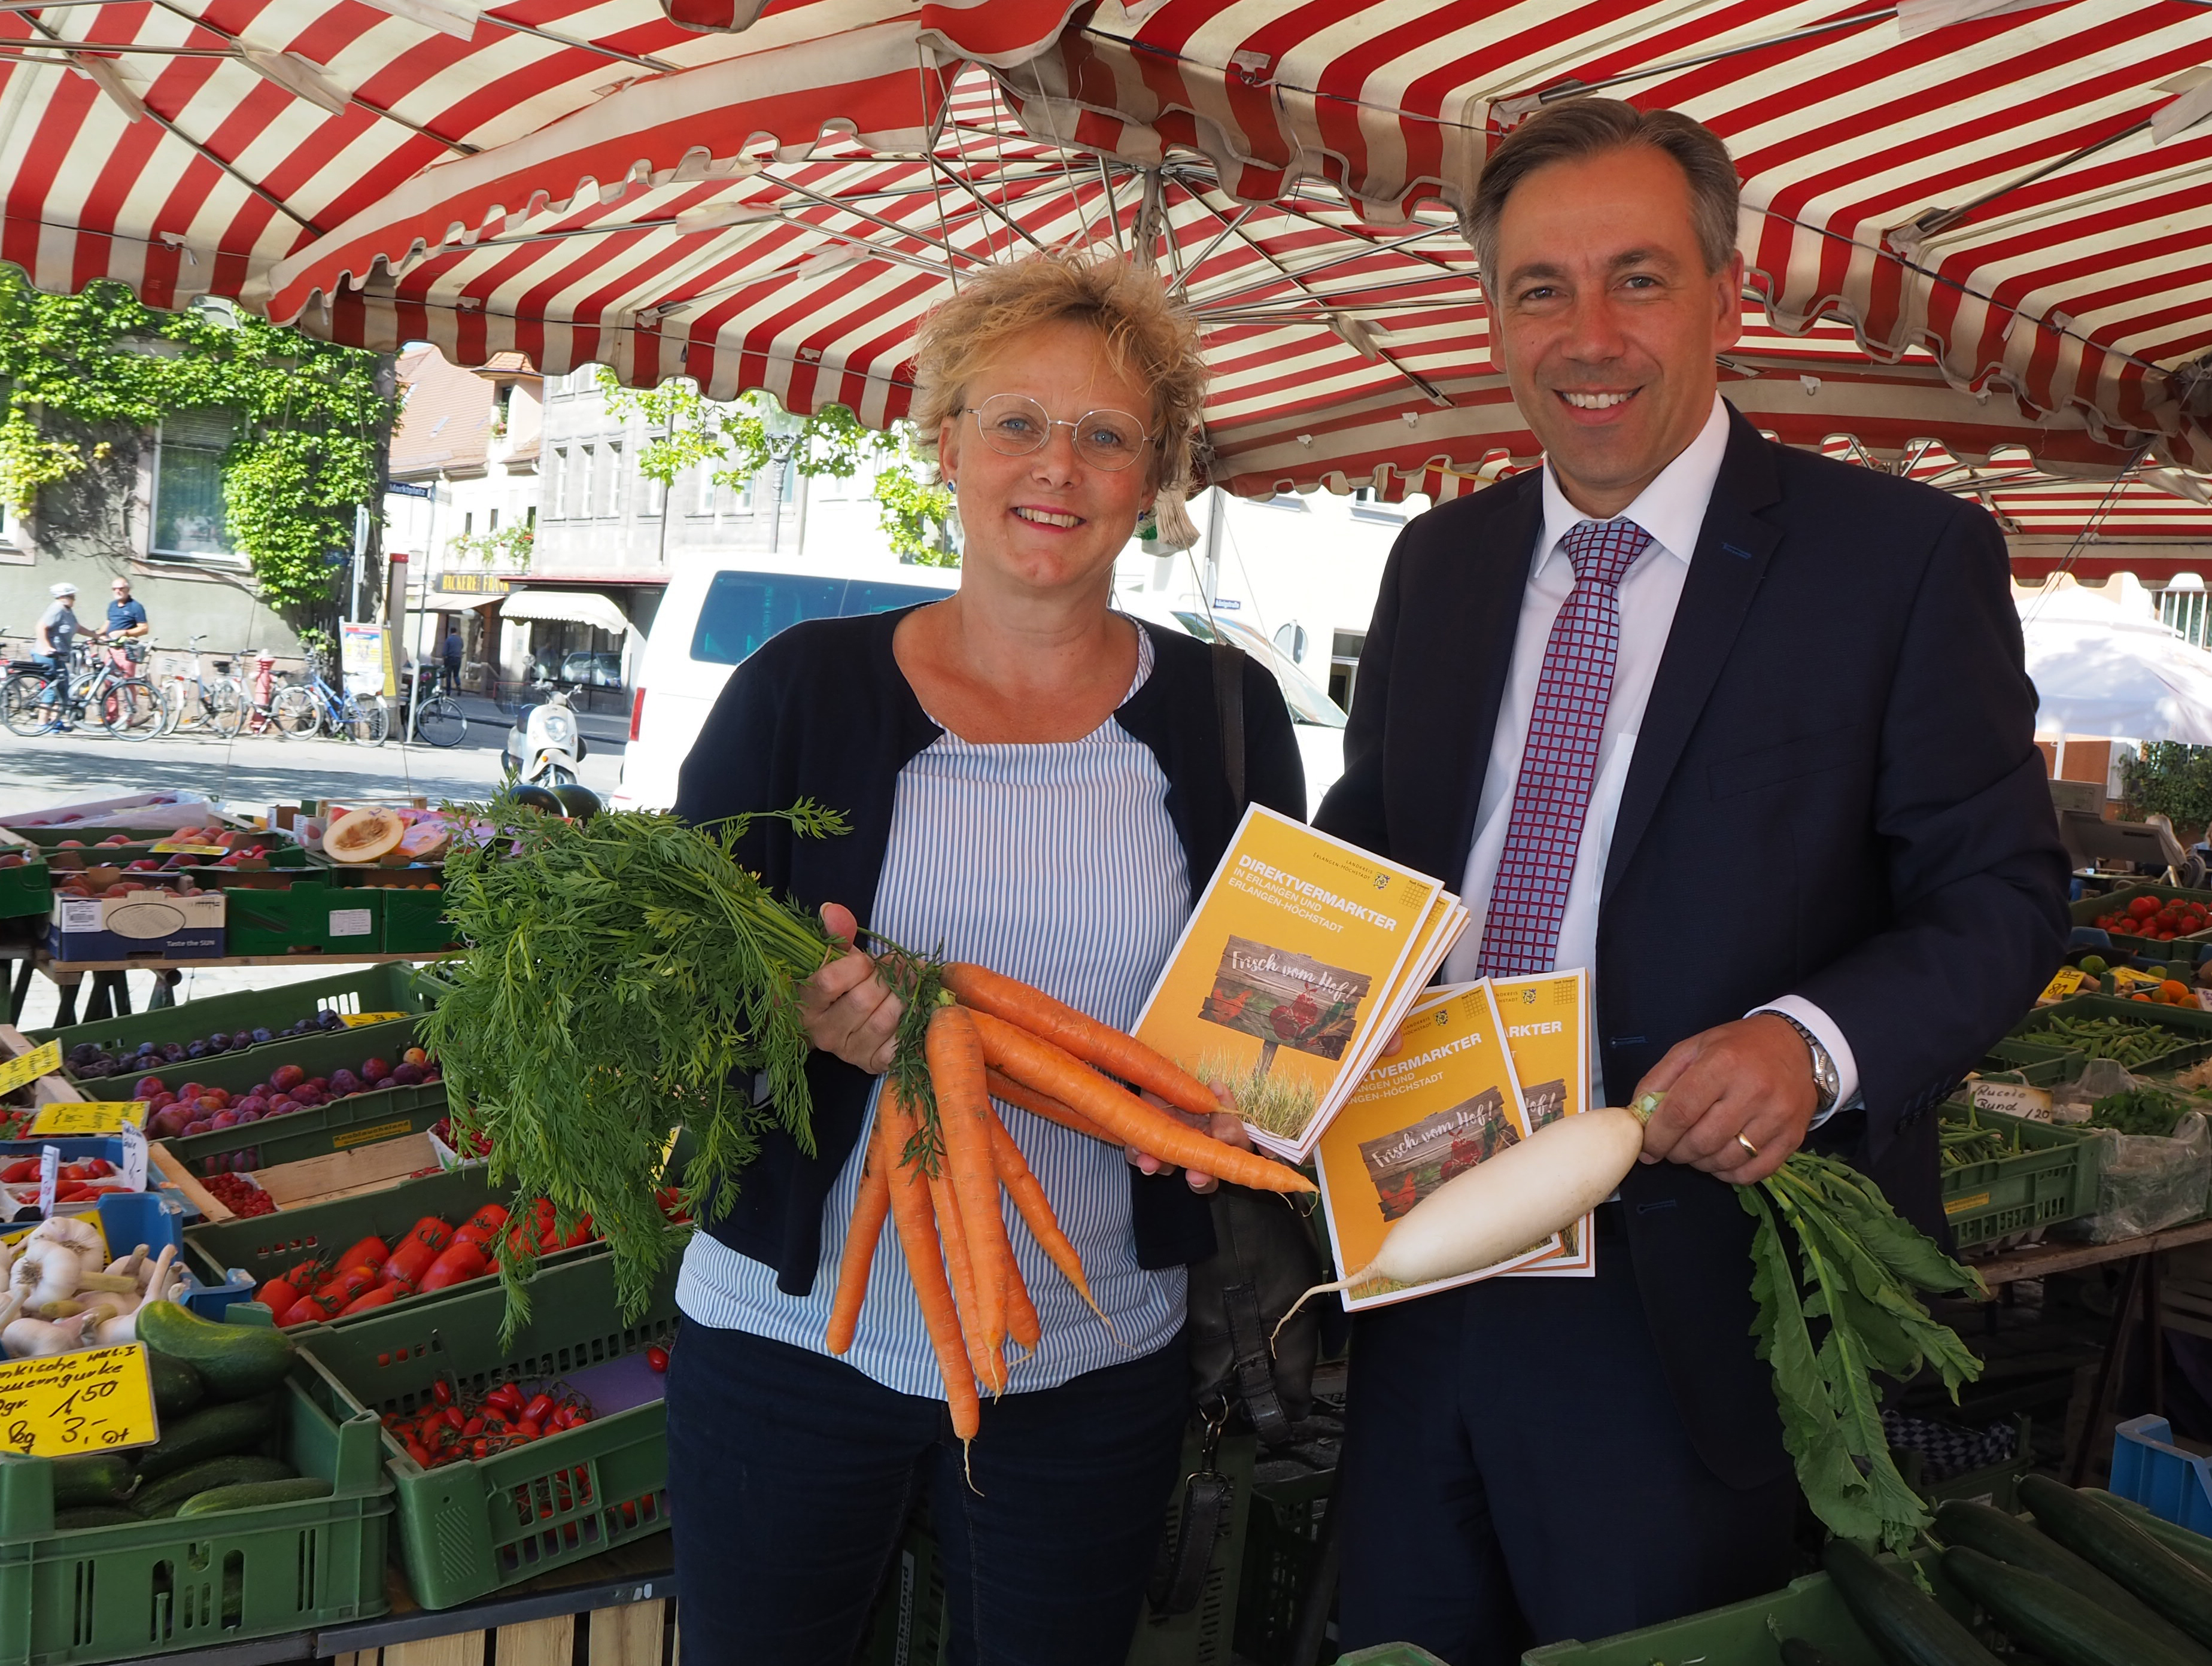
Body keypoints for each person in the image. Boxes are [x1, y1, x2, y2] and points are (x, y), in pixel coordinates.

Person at [1314, 99, 2070, 1664]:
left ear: (1728, 296)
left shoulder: (1901, 561)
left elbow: (2001, 892)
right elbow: (1381, 843)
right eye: (1541, 288)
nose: (1588, 336)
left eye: (1638, 280)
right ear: (1494, 312)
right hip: (1423, 1250)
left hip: (1692, 1303)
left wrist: (1810, 1041)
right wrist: (1278, 1031)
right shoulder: (1437, 566)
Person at [663, 252, 1305, 1666]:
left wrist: (1223, 1109)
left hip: (1093, 1359)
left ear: (1156, 476)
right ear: (944, 439)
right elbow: (672, 983)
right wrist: (797, 1022)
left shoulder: (1228, 711)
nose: (1055, 467)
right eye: (1016, 419)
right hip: (789, 1346)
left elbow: (1272, 998)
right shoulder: (801, 689)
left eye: (1106, 433)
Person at [34, 582, 87, 728]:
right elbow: (40, 627)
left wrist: (96, 636)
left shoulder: (67, 610)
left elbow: (77, 627)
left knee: (63, 687)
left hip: (59, 655)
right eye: (72, 596)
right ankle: (42, 723)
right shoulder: (57, 609)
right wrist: (47, 647)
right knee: (52, 687)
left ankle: (55, 720)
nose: (74, 599)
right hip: (47, 655)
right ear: (63, 597)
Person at [105, 577, 148, 644]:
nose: (117, 591)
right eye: (114, 589)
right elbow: (108, 624)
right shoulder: (112, 605)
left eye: (121, 589)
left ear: (128, 590)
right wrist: (96, 635)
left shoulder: (136, 606)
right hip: (110, 644)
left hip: (126, 646)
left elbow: (144, 629)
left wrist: (124, 633)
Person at [442, 625, 463, 690]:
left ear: (450, 632)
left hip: (450, 659)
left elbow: (445, 651)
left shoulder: (449, 639)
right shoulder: (460, 639)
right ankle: (458, 685)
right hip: (458, 658)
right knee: (456, 674)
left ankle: (448, 691)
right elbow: (462, 646)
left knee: (448, 675)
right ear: (456, 632)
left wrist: (445, 656)